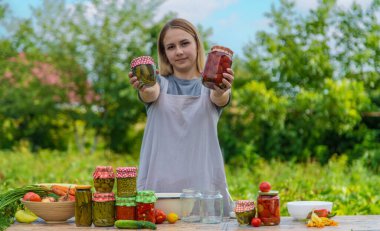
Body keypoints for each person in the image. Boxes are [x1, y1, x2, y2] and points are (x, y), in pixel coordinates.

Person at [129, 18, 234, 216]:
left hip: (204, 193)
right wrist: (145, 85)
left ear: (197, 44)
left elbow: (219, 97)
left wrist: (222, 89)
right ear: (164, 54)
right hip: (159, 193)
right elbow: (150, 93)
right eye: (171, 47)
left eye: (184, 43)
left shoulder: (212, 85)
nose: (178, 51)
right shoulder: (157, 83)